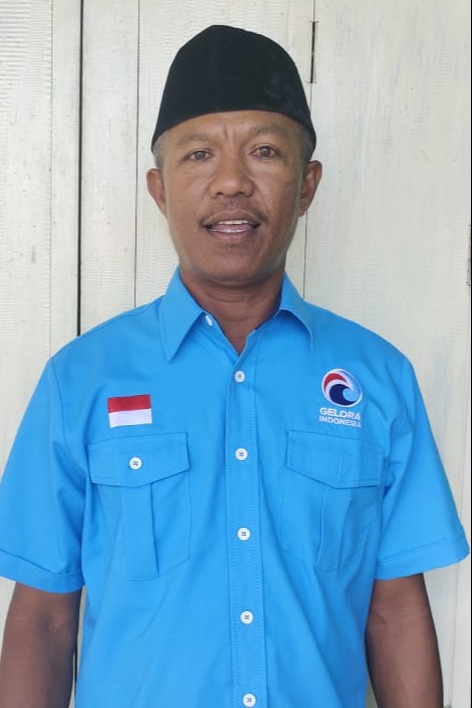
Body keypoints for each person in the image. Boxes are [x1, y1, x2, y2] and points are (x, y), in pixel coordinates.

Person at [0, 24, 468, 708]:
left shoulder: (378, 379)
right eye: (199, 155)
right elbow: (43, 619)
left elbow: (394, 611)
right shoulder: (80, 381)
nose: (230, 182)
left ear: (307, 186)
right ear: (160, 190)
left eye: (265, 151)